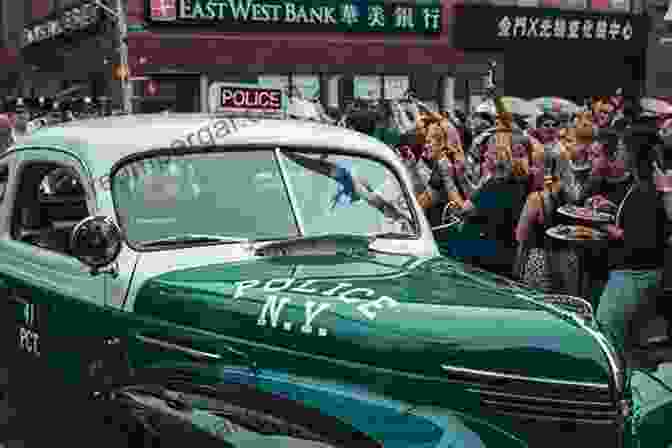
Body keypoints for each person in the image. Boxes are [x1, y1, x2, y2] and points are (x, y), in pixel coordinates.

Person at [595, 140, 669, 353]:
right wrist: (613, 209)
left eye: (620, 148)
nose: (616, 153)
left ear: (633, 155)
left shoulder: (646, 188)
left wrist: (603, 225)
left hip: (633, 275)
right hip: (635, 274)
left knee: (607, 340)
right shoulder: (642, 185)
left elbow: (640, 239)